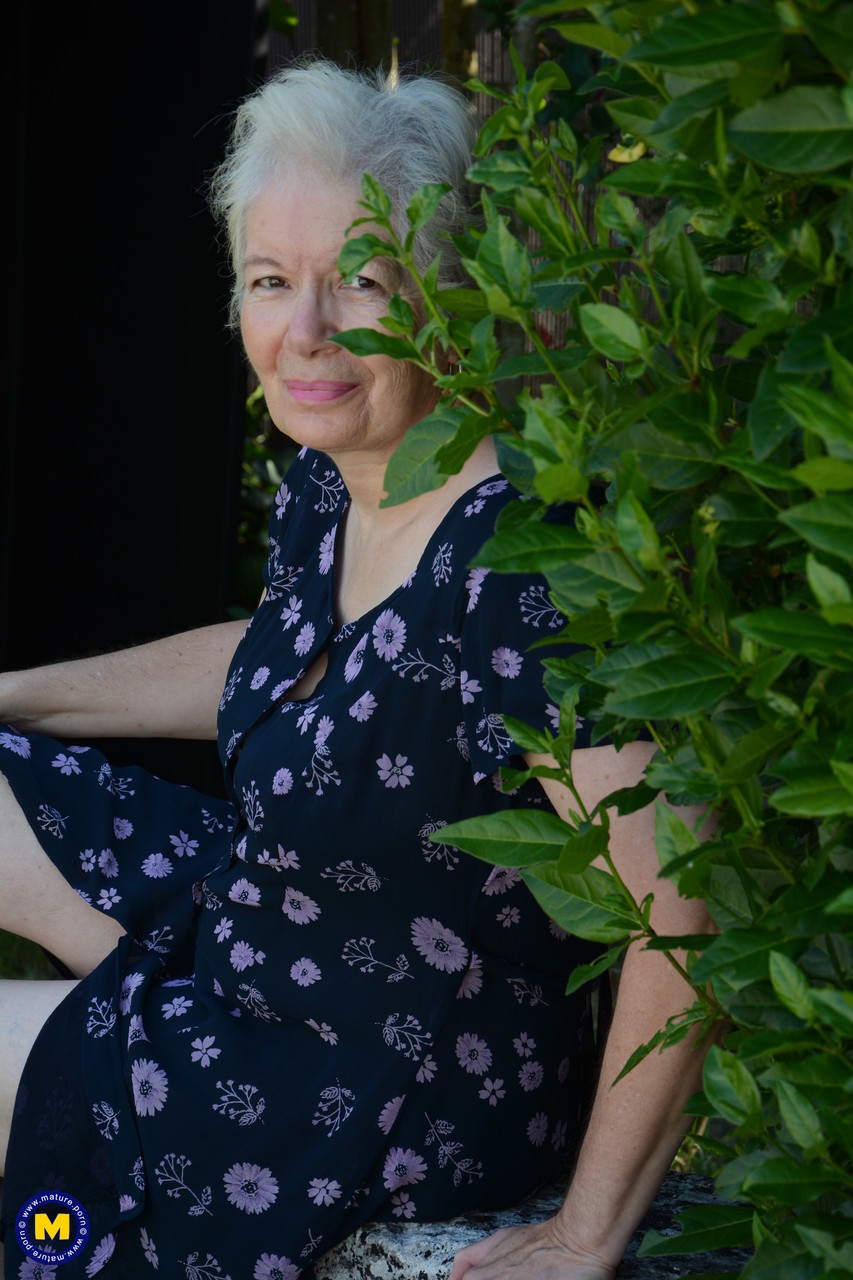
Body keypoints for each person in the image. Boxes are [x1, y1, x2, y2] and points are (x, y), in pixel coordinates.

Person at [0, 59, 713, 1280]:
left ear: (447, 291)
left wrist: (583, 1233)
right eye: (272, 281)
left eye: (362, 280)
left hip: (382, 1078)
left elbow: (681, 899)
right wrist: (16, 692)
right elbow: (287, 661)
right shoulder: (333, 483)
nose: (307, 332)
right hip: (280, 920)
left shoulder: (518, 567)